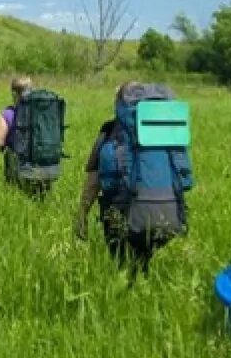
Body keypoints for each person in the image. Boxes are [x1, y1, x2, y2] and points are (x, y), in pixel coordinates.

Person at [74, 80, 188, 279]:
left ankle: (127, 293)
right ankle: (142, 286)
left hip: (124, 213)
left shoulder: (110, 132)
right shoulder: (166, 134)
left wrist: (82, 215)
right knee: (143, 263)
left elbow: (93, 182)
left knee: (122, 268)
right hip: (169, 214)